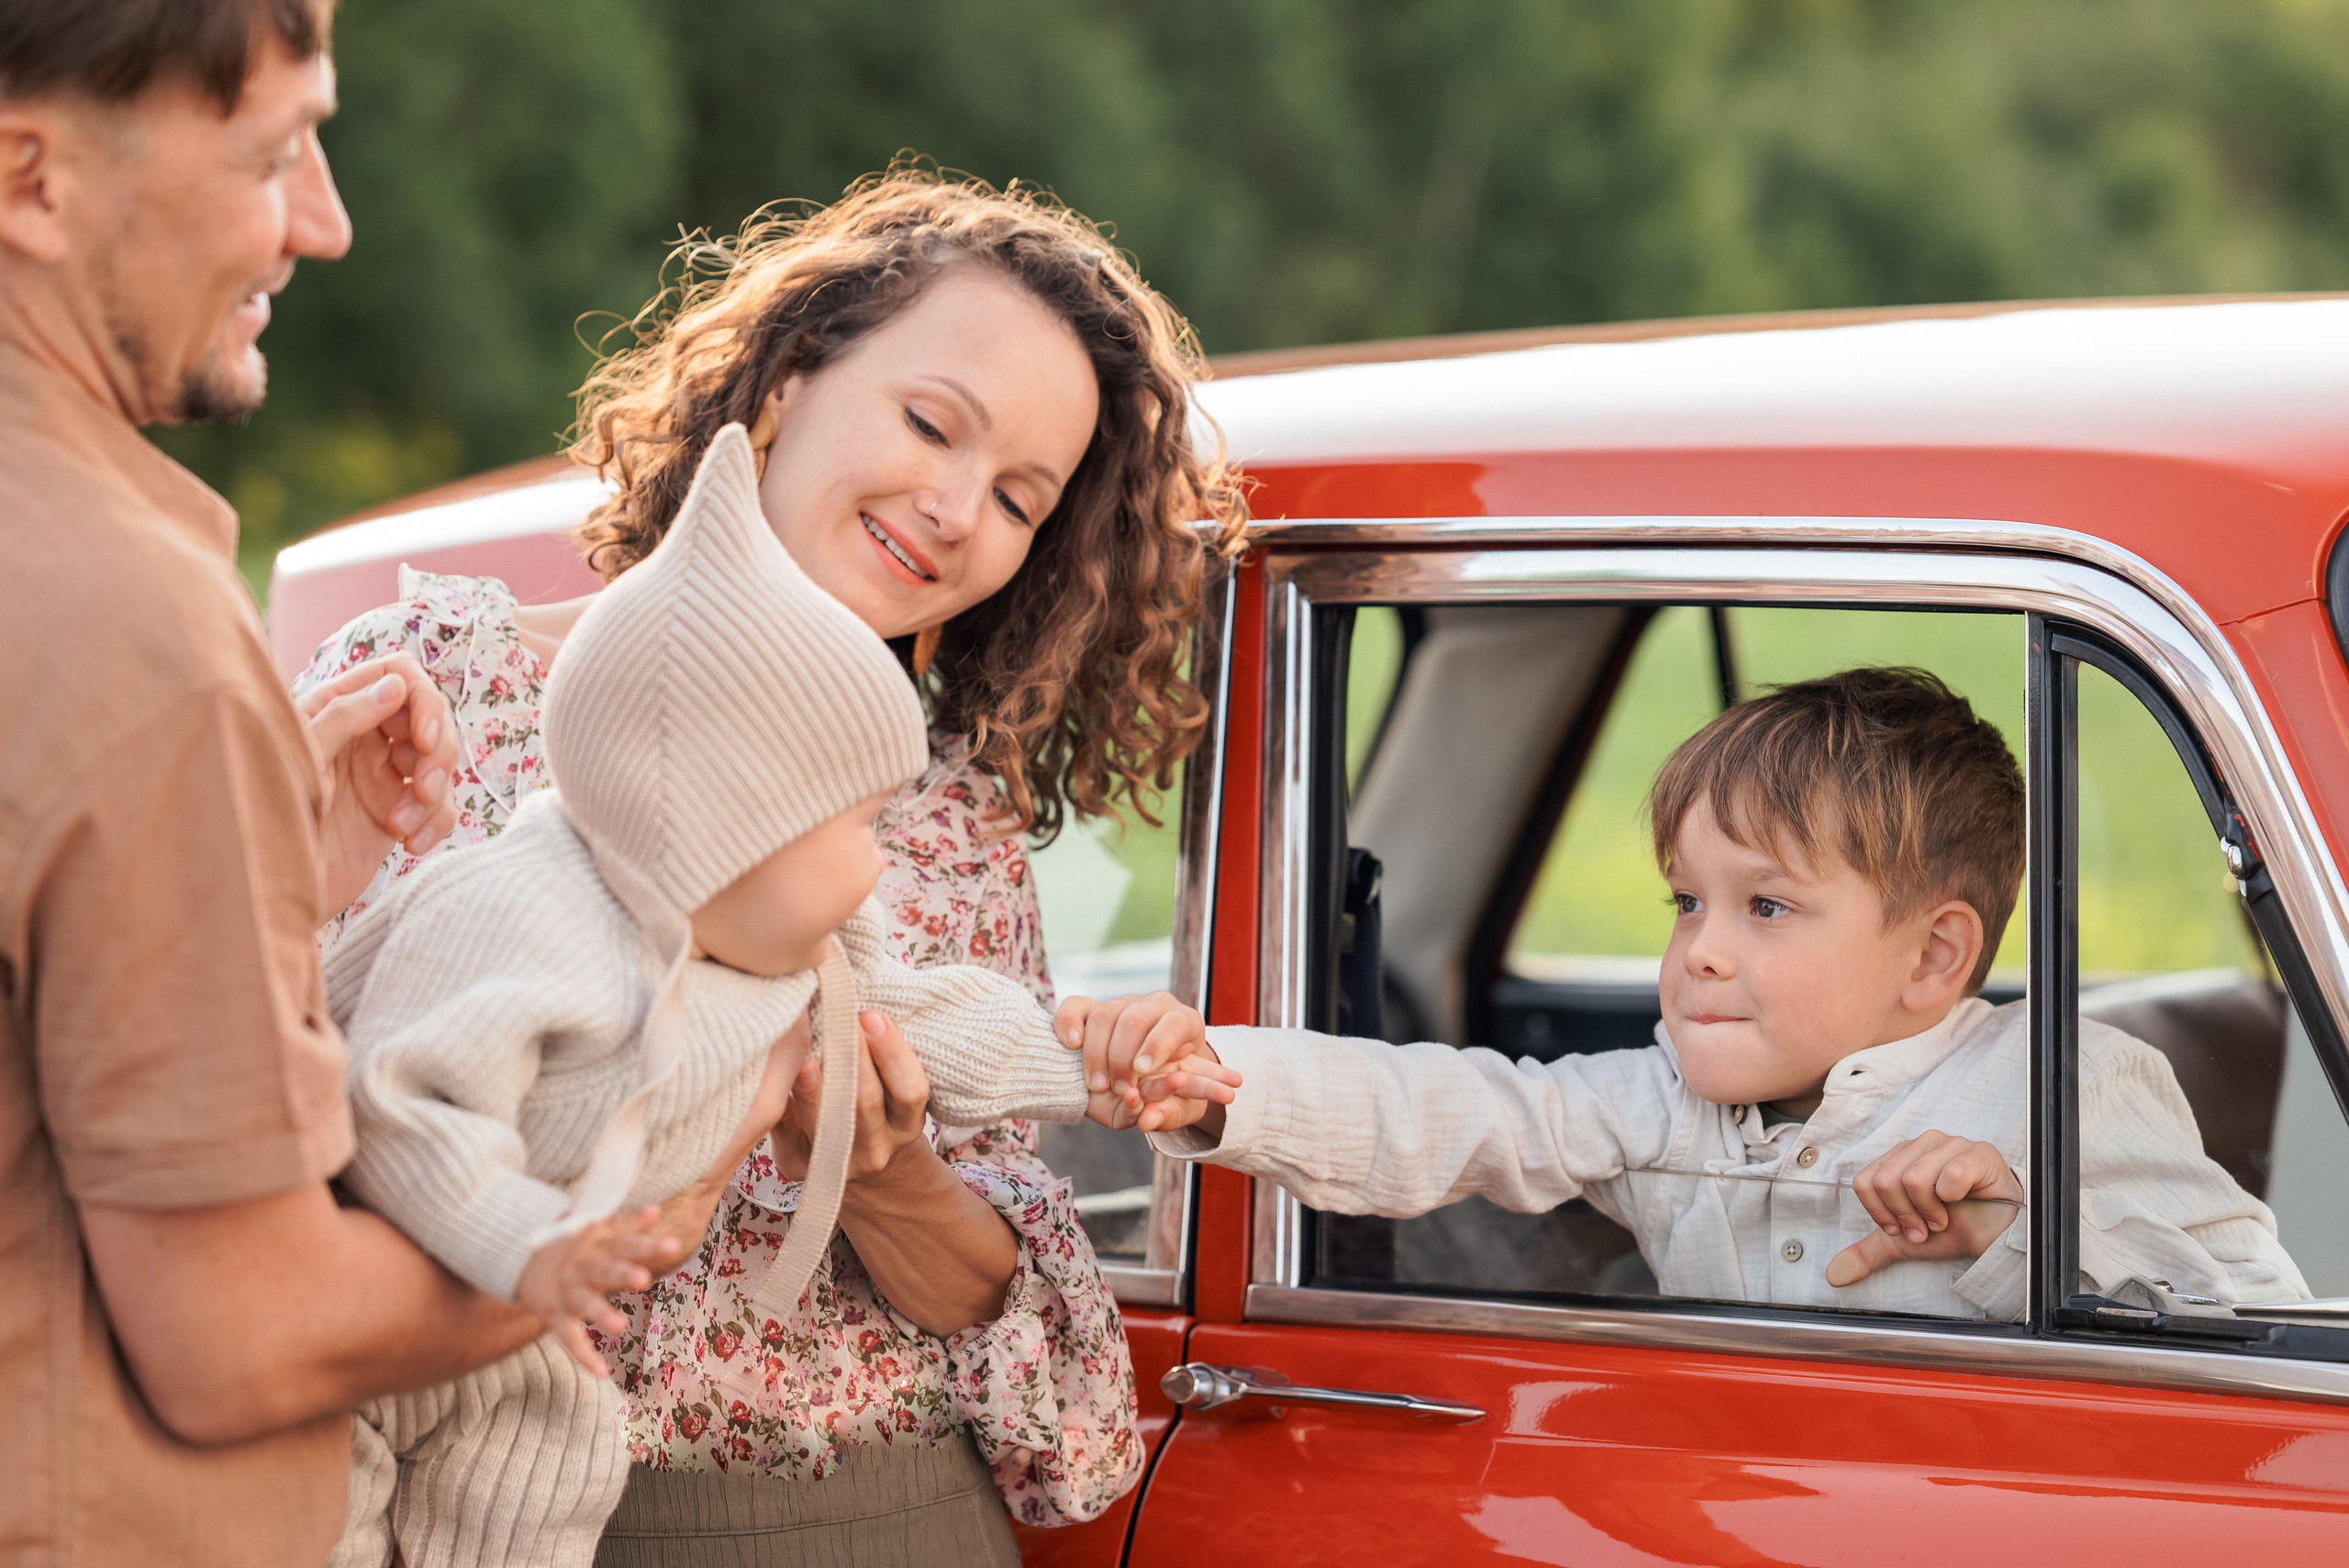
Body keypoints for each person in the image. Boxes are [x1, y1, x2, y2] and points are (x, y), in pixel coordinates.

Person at [296, 167, 1247, 1562]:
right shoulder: (427, 685)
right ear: (790, 380)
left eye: (1018, 499)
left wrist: (881, 1174)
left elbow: (1034, 1361)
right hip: (464, 1499)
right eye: (931, 423)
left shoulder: (950, 813)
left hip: (873, 1522)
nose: (955, 507)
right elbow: (238, 1112)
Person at [0, 5, 584, 1564]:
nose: (324, 225)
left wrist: (260, 871)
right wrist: (653, 1165)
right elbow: (246, 1335)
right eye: (273, 156)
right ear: (31, 180)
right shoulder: (134, 636)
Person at [1073, 668, 2310, 1318]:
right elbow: (1458, 1111)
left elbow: (2260, 1317)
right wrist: (1219, 1080)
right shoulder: (1665, 1100)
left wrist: (2017, 1238)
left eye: (1765, 907)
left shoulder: (2061, 1088)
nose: (1701, 953)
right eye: (1685, 901)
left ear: (1934, 958)